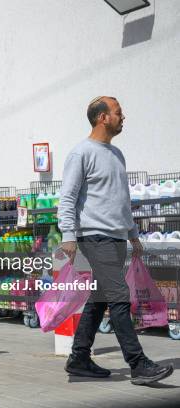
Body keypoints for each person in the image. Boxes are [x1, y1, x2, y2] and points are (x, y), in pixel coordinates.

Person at [58, 96, 174, 385]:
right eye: (118, 113)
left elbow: (121, 199)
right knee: (119, 297)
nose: (123, 117)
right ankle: (138, 364)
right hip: (93, 237)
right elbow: (68, 198)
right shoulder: (81, 153)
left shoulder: (116, 154)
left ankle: (79, 358)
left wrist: (133, 233)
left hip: (115, 237)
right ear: (102, 118)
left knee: (99, 300)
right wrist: (69, 235)